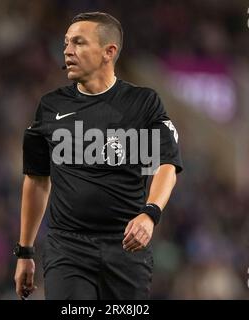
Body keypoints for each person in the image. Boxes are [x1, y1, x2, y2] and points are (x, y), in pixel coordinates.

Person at [13, 11, 183, 300]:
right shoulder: (50, 106)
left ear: (109, 52)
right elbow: (37, 180)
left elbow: (167, 164)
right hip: (68, 248)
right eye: (66, 43)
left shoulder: (143, 103)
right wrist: (25, 251)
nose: (67, 50)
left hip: (127, 249)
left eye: (78, 43)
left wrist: (150, 214)